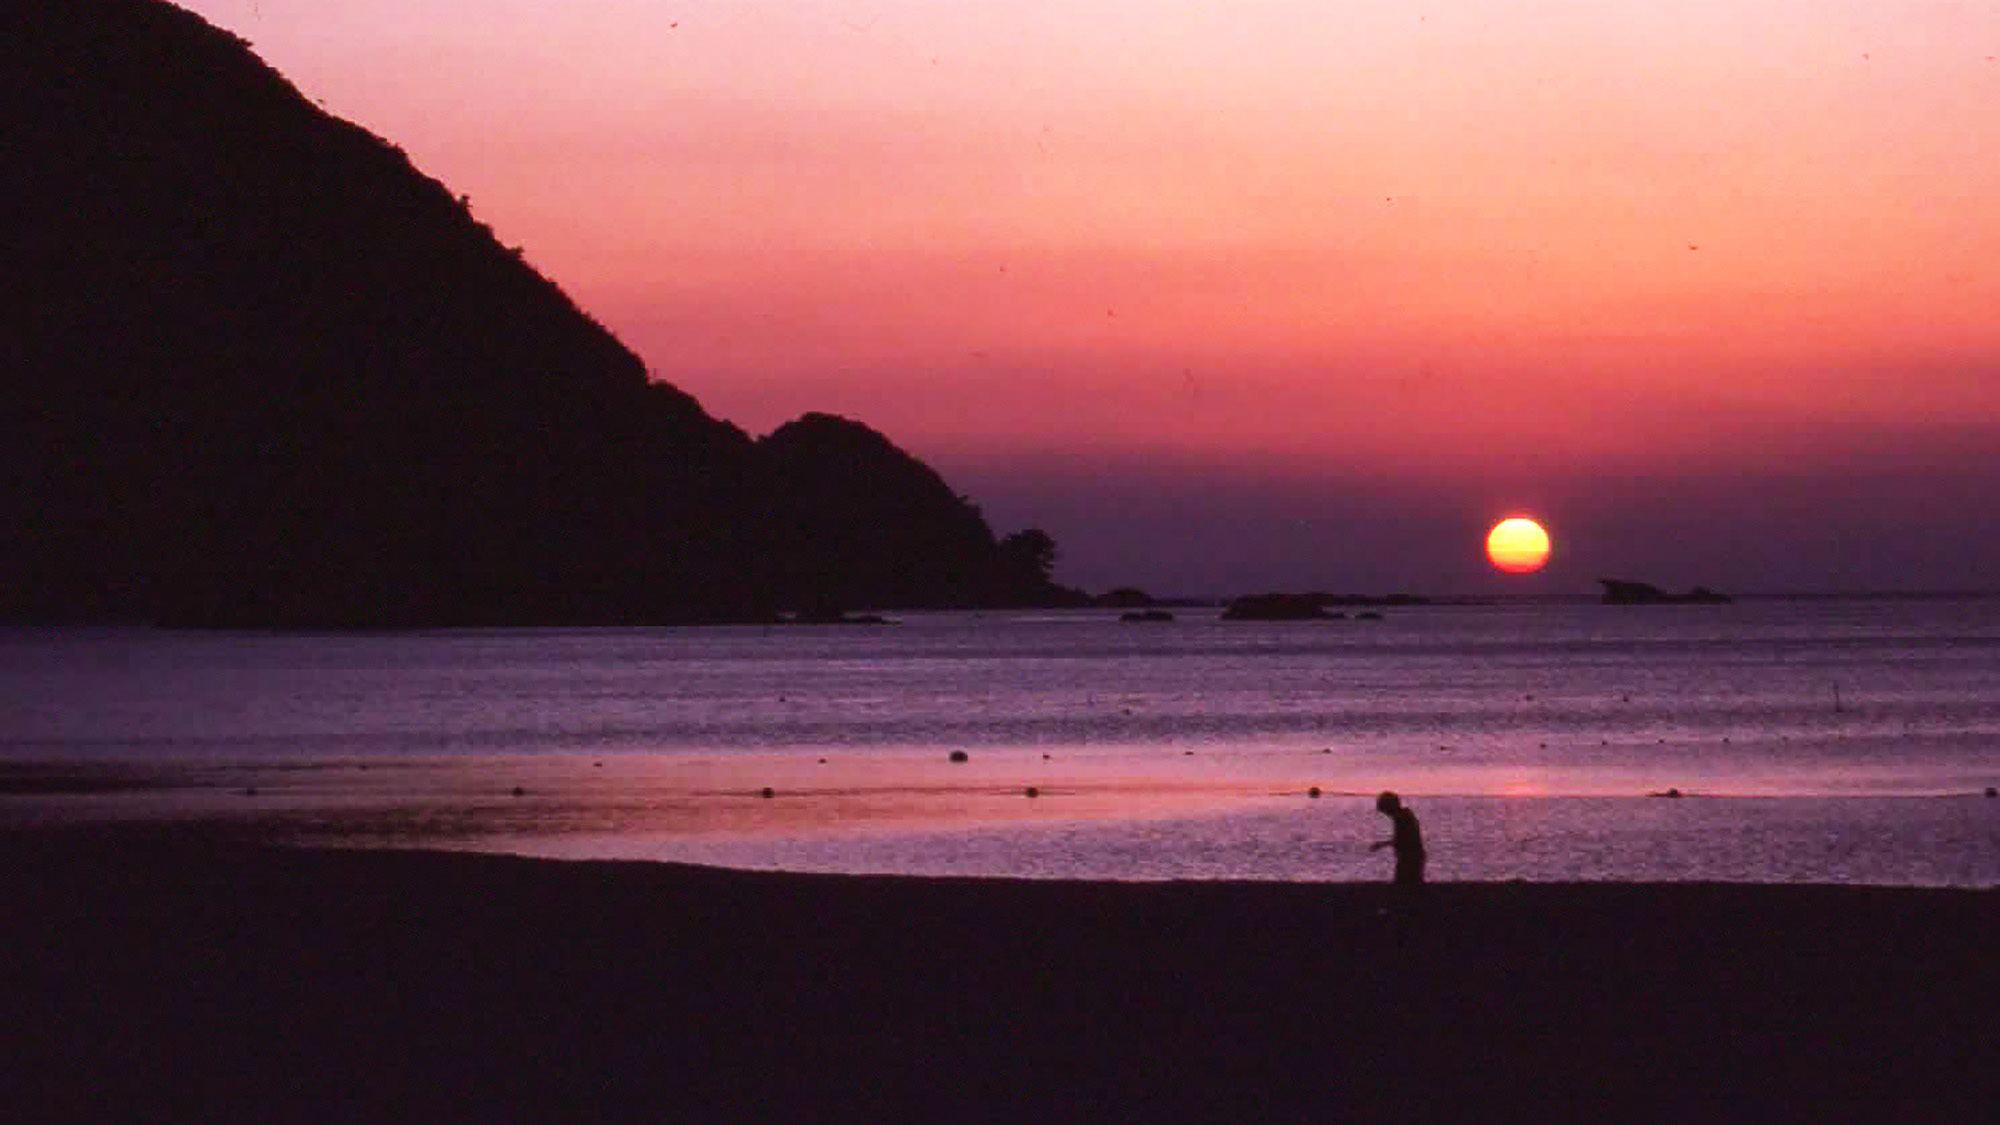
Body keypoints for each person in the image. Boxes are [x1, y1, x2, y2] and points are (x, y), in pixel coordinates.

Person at [1370, 791, 1425, 886]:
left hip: (1410, 858)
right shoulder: (1404, 816)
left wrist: (1382, 844)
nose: (1387, 815)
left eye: (1385, 811)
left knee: (1406, 886)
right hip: (1409, 857)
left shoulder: (1402, 818)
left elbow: (1403, 840)